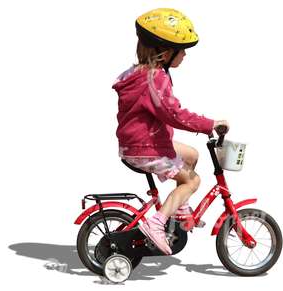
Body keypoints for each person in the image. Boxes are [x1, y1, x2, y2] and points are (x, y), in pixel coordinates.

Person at [112, 8, 229, 255]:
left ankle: (179, 208)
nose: (185, 55)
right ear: (165, 52)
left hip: (139, 143)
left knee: (192, 155)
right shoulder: (155, 78)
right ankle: (155, 224)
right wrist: (209, 124)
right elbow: (173, 114)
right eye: (182, 49)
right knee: (192, 180)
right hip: (145, 148)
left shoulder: (140, 73)